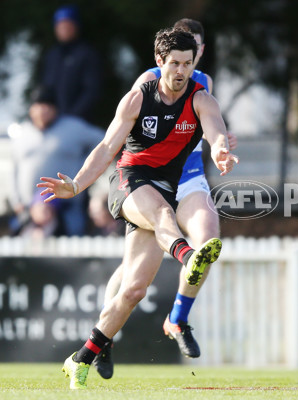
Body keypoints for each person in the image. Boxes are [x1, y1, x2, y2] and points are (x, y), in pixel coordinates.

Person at [38, 27, 238, 390]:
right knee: (163, 215)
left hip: (165, 188)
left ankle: (80, 357)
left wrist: (221, 149)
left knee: (133, 291)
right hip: (129, 181)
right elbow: (106, 147)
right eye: (174, 63)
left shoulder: (202, 98)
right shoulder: (138, 97)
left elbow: (215, 131)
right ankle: (188, 255)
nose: (181, 71)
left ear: (195, 63)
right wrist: (78, 185)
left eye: (188, 64)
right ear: (159, 62)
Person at [92, 18, 237, 379]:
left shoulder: (203, 85)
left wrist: (220, 147)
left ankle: (178, 318)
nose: (192, 58)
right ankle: (104, 336)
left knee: (208, 243)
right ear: (166, 55)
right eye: (186, 51)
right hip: (148, 179)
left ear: (200, 52)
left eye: (198, 50)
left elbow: (210, 128)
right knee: (131, 277)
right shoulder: (148, 81)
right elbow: (124, 136)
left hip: (187, 179)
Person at [8, 89, 104, 236]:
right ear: (31, 109)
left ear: (55, 109)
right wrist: (16, 201)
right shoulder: (21, 133)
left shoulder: (74, 128)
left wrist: (86, 164)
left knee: (72, 245)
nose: (42, 110)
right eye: (38, 105)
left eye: (47, 106)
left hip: (68, 206)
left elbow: (105, 141)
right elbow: (13, 168)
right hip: (29, 208)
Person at [41, 5, 103, 122]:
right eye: (60, 25)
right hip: (54, 121)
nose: (64, 28)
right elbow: (47, 88)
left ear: (76, 26)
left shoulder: (87, 54)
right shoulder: (52, 55)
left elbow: (92, 90)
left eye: (68, 24)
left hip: (80, 121)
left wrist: (72, 115)